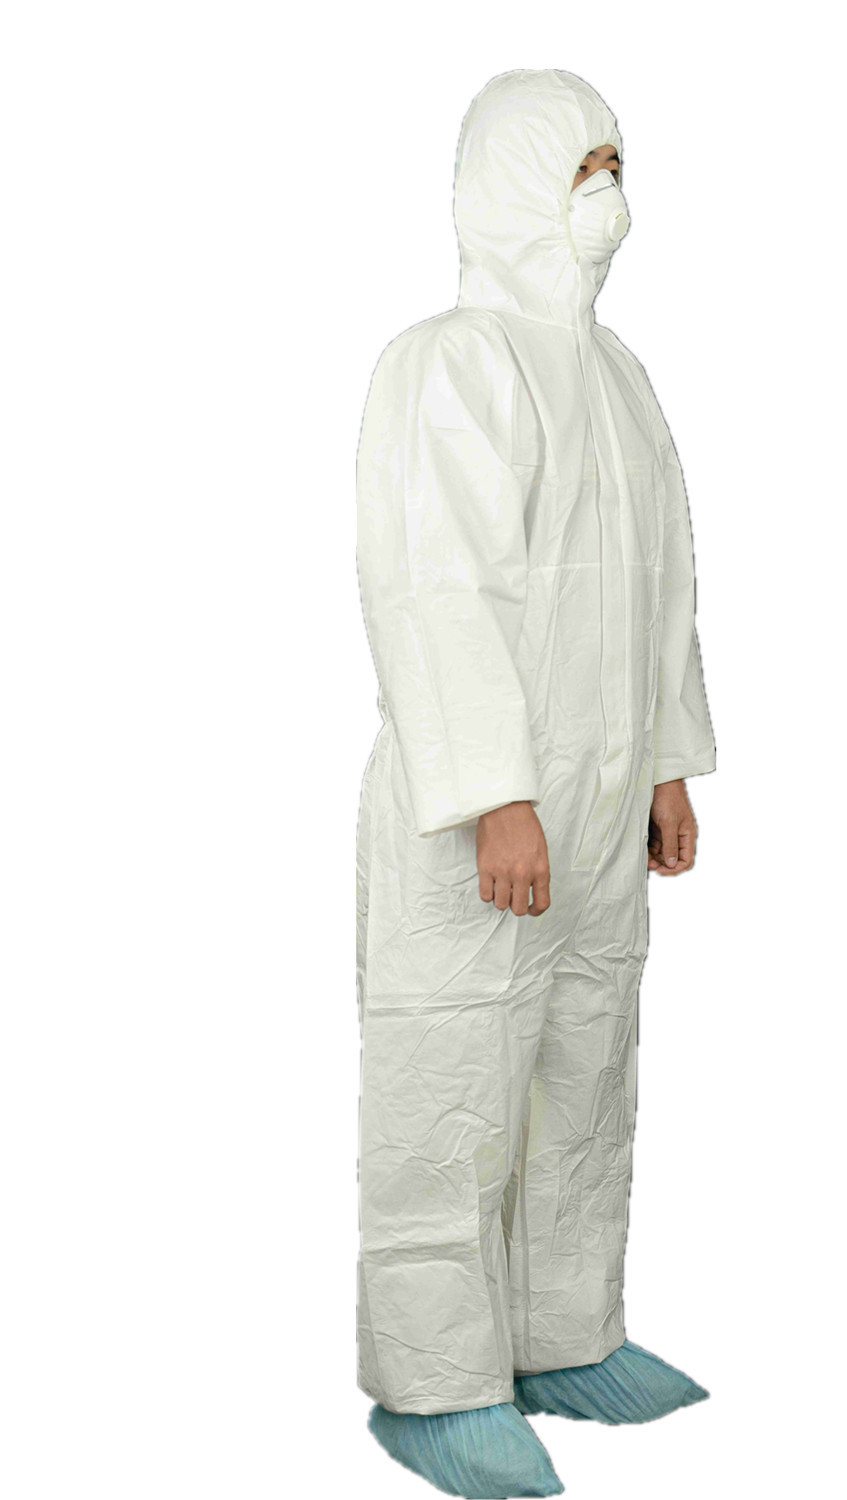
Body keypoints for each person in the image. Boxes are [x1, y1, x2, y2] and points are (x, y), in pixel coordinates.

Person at [354, 68, 717, 1497]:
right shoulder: (449, 364)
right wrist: (497, 793)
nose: (607, 196)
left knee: (585, 1071)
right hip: (483, 814)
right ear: (512, 178)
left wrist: (668, 763)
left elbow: (666, 589)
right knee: (454, 1078)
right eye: (582, 168)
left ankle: (565, 1338)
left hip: (606, 804)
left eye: (616, 165)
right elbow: (433, 590)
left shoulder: (620, 380)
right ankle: (437, 1386)